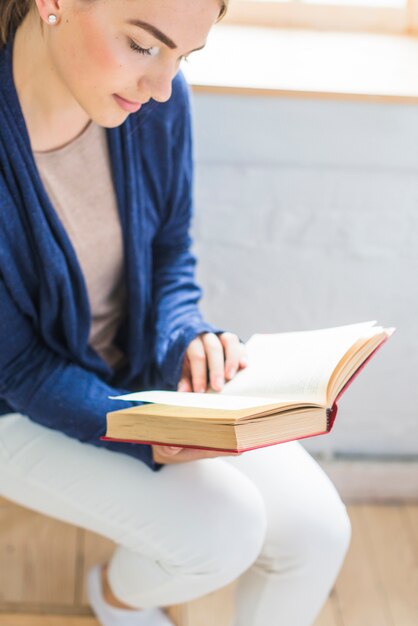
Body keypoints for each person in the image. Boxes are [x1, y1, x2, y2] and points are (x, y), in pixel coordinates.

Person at [0, 1, 351, 625]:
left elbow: (169, 253)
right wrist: (145, 431)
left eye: (183, 57)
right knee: (223, 533)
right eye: (143, 45)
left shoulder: (149, 103)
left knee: (318, 533)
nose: (164, 88)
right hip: (15, 405)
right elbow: (21, 368)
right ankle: (113, 594)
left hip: (135, 373)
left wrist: (184, 334)